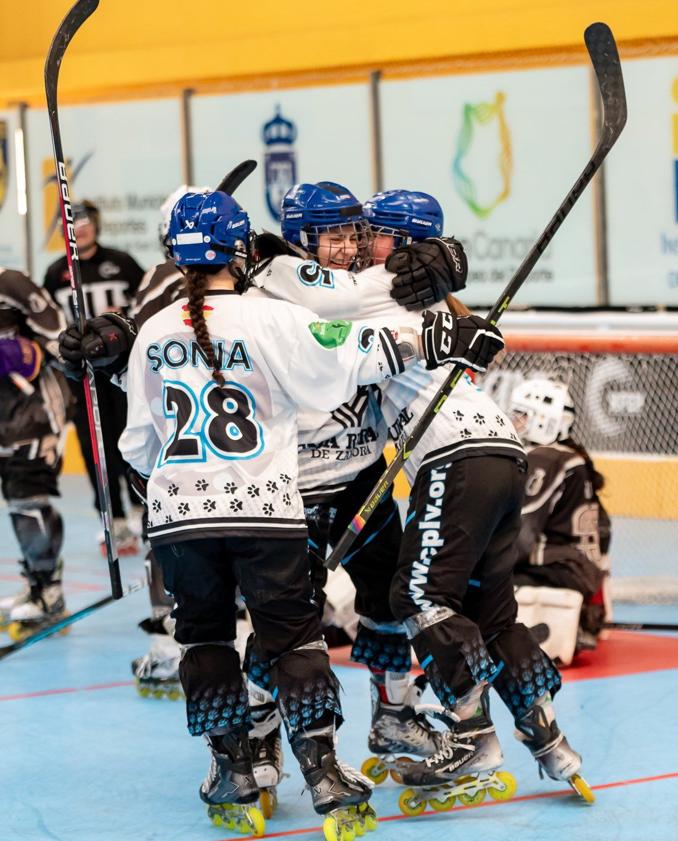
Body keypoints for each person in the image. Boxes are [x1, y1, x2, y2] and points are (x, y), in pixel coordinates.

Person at [116, 189, 466, 837]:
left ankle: (231, 770)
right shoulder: (268, 316)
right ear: (241, 247)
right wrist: (439, 334)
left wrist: (174, 493)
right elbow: (354, 351)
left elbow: (137, 444)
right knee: (296, 639)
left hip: (183, 520)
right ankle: (325, 773)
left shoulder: (153, 334)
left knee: (206, 641)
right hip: (269, 509)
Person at [251, 184, 593, 809]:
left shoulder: (377, 302)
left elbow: (344, 300)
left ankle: (471, 735)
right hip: (488, 457)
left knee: (415, 595)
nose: (358, 245)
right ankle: (548, 738)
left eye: (369, 233)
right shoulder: (414, 298)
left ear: (402, 246)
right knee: (490, 613)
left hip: (451, 459)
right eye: (347, 234)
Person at [44, 200, 145, 555]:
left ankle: (141, 508)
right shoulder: (56, 272)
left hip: (123, 371)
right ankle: (114, 520)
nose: (79, 227)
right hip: (82, 378)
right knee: (94, 450)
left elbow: (147, 307)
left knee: (131, 439)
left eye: (86, 221)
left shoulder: (122, 263)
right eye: (72, 222)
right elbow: (50, 330)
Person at [509, 377, 611, 661]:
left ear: (544, 420)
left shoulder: (546, 458)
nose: (515, 423)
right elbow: (605, 531)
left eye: (522, 415)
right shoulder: (571, 457)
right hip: (581, 569)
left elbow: (522, 538)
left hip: (561, 570)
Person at [0, 265, 70, 640]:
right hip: (3, 419)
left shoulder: (10, 283)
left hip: (35, 414)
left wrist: (26, 354)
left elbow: (62, 338)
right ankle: (36, 582)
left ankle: (50, 591)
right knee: (15, 500)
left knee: (29, 500)